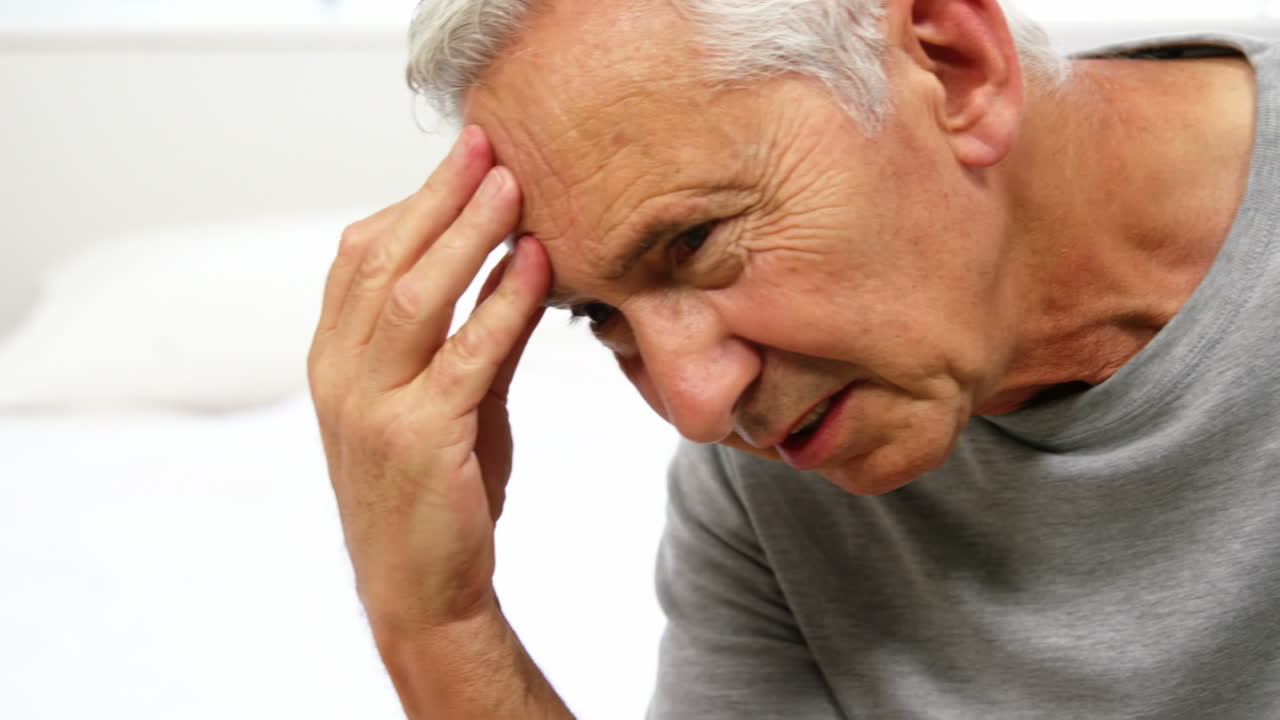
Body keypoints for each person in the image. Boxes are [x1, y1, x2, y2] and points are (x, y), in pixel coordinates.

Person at [306, 0, 1279, 716]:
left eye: (694, 242)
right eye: (597, 314)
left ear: (951, 67)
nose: (694, 406)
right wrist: (436, 624)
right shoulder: (771, 482)